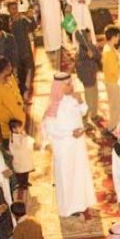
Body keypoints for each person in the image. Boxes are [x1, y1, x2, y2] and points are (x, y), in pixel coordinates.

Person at [41, 72, 94, 218]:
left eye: (71, 83)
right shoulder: (53, 105)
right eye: (68, 84)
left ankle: (82, 203)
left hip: (77, 144)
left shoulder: (72, 98)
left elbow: (83, 111)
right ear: (59, 87)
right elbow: (51, 130)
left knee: (79, 172)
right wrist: (70, 133)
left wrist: (80, 100)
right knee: (67, 176)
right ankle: (68, 208)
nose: (71, 86)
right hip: (63, 146)